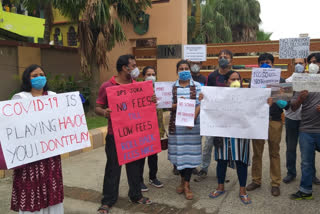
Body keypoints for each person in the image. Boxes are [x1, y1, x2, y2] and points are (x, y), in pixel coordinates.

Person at [95, 55, 152, 214]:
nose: (136, 68)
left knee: (134, 167)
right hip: (115, 135)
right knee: (113, 168)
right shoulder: (107, 86)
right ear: (123, 68)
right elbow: (97, 108)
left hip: (134, 135)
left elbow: (145, 107)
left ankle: (136, 195)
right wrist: (104, 112)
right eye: (133, 65)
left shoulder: (138, 86)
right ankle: (108, 201)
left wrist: (151, 99)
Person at [11, 64, 64, 214]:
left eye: (42, 74)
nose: (39, 77)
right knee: (31, 189)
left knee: (51, 187)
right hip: (29, 156)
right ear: (27, 79)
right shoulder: (19, 99)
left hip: (50, 155)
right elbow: (14, 126)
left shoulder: (54, 97)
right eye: (34, 76)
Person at [202, 70, 252, 204]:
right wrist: (203, 99)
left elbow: (255, 110)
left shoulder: (248, 96)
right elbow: (210, 109)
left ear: (241, 82)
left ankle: (242, 190)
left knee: (241, 161)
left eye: (238, 79)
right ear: (226, 82)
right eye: (232, 79)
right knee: (221, 160)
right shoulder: (218, 96)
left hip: (241, 134)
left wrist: (266, 104)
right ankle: (220, 187)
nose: (235, 81)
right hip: (223, 133)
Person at [246, 53, 288, 196]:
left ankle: (275, 183)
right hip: (258, 120)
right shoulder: (253, 81)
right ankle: (256, 180)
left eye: (268, 62)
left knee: (274, 152)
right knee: (257, 153)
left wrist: (277, 98)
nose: (265, 64)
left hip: (274, 120)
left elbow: (287, 104)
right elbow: (248, 101)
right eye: (262, 62)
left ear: (273, 64)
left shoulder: (282, 81)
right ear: (258, 66)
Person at [195, 49, 234, 181]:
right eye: (220, 56)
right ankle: (204, 168)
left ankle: (221, 172)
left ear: (231, 60)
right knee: (208, 144)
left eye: (226, 56)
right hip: (212, 116)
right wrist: (202, 96)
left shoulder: (234, 75)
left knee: (223, 146)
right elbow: (206, 94)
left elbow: (239, 94)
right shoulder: (211, 76)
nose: (223, 58)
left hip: (227, 116)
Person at [168, 60, 202, 200]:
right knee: (179, 155)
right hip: (177, 128)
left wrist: (192, 118)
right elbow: (167, 105)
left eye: (186, 68)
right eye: (181, 68)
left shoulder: (198, 86)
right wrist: (178, 104)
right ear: (177, 71)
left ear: (190, 70)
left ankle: (187, 185)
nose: (184, 70)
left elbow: (200, 104)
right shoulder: (171, 87)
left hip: (192, 127)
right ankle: (182, 181)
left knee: (189, 155)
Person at [283, 58, 320, 184]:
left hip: (308, 121)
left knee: (309, 150)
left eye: (301, 63)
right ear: (292, 65)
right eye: (296, 63)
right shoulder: (288, 81)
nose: (299, 65)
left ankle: (312, 174)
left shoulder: (313, 79)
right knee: (291, 147)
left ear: (306, 65)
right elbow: (286, 103)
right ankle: (291, 172)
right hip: (292, 118)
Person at [139, 66, 164, 192]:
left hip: (155, 128)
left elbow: (162, 108)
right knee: (142, 155)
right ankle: (139, 181)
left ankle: (153, 177)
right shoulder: (137, 90)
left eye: (153, 74)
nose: (151, 76)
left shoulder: (159, 90)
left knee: (153, 154)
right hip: (142, 128)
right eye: (148, 74)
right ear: (143, 76)